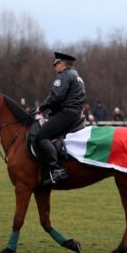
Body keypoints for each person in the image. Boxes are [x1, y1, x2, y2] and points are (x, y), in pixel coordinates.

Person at [35, 51, 86, 185]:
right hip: (75, 114)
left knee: (40, 136)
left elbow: (56, 96)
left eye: (56, 64)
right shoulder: (77, 76)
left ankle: (56, 169)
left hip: (67, 114)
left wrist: (41, 108)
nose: (55, 67)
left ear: (62, 64)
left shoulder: (64, 76)